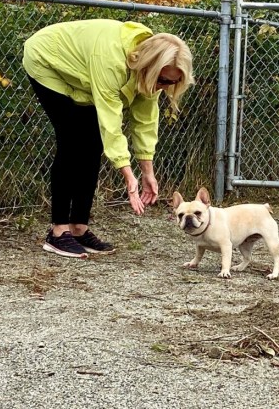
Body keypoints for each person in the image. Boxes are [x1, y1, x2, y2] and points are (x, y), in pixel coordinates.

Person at [22, 19, 194, 258]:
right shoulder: (112, 61)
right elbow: (111, 124)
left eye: (172, 83)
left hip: (82, 70)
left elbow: (145, 122)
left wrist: (147, 171)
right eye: (162, 80)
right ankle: (58, 232)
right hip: (48, 60)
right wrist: (127, 174)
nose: (164, 87)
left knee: (93, 144)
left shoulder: (149, 73)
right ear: (150, 67)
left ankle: (79, 228)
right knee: (72, 140)